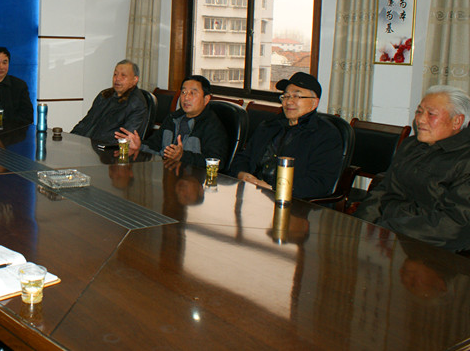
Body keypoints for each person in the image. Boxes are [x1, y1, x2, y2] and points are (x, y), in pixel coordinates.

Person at [354, 85, 470, 252]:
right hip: (392, 239)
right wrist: (360, 225)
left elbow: (454, 224)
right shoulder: (411, 146)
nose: (420, 120)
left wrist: (387, 229)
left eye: (431, 114)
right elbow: (383, 191)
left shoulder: (465, 160)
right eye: (419, 112)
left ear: (457, 121)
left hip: (437, 249)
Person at [230, 71, 342, 199]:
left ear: (314, 103)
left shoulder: (326, 135)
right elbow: (243, 157)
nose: (289, 102)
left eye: (296, 96)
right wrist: (242, 174)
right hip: (251, 194)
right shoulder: (269, 126)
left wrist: (273, 189)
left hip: (292, 201)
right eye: (286, 96)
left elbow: (319, 182)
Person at [115, 76, 227, 168]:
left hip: (194, 182)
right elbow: (155, 145)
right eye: (183, 92)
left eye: (192, 93)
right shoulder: (173, 118)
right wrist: (140, 145)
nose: (186, 97)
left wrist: (183, 156)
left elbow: (217, 163)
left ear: (206, 99)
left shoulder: (212, 125)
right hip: (168, 175)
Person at [71, 59, 148, 145]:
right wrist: (71, 138)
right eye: (115, 74)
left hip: (105, 149)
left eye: (123, 75)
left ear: (135, 80)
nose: (117, 78)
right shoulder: (104, 95)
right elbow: (86, 122)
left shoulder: (137, 104)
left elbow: (125, 139)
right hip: (86, 144)